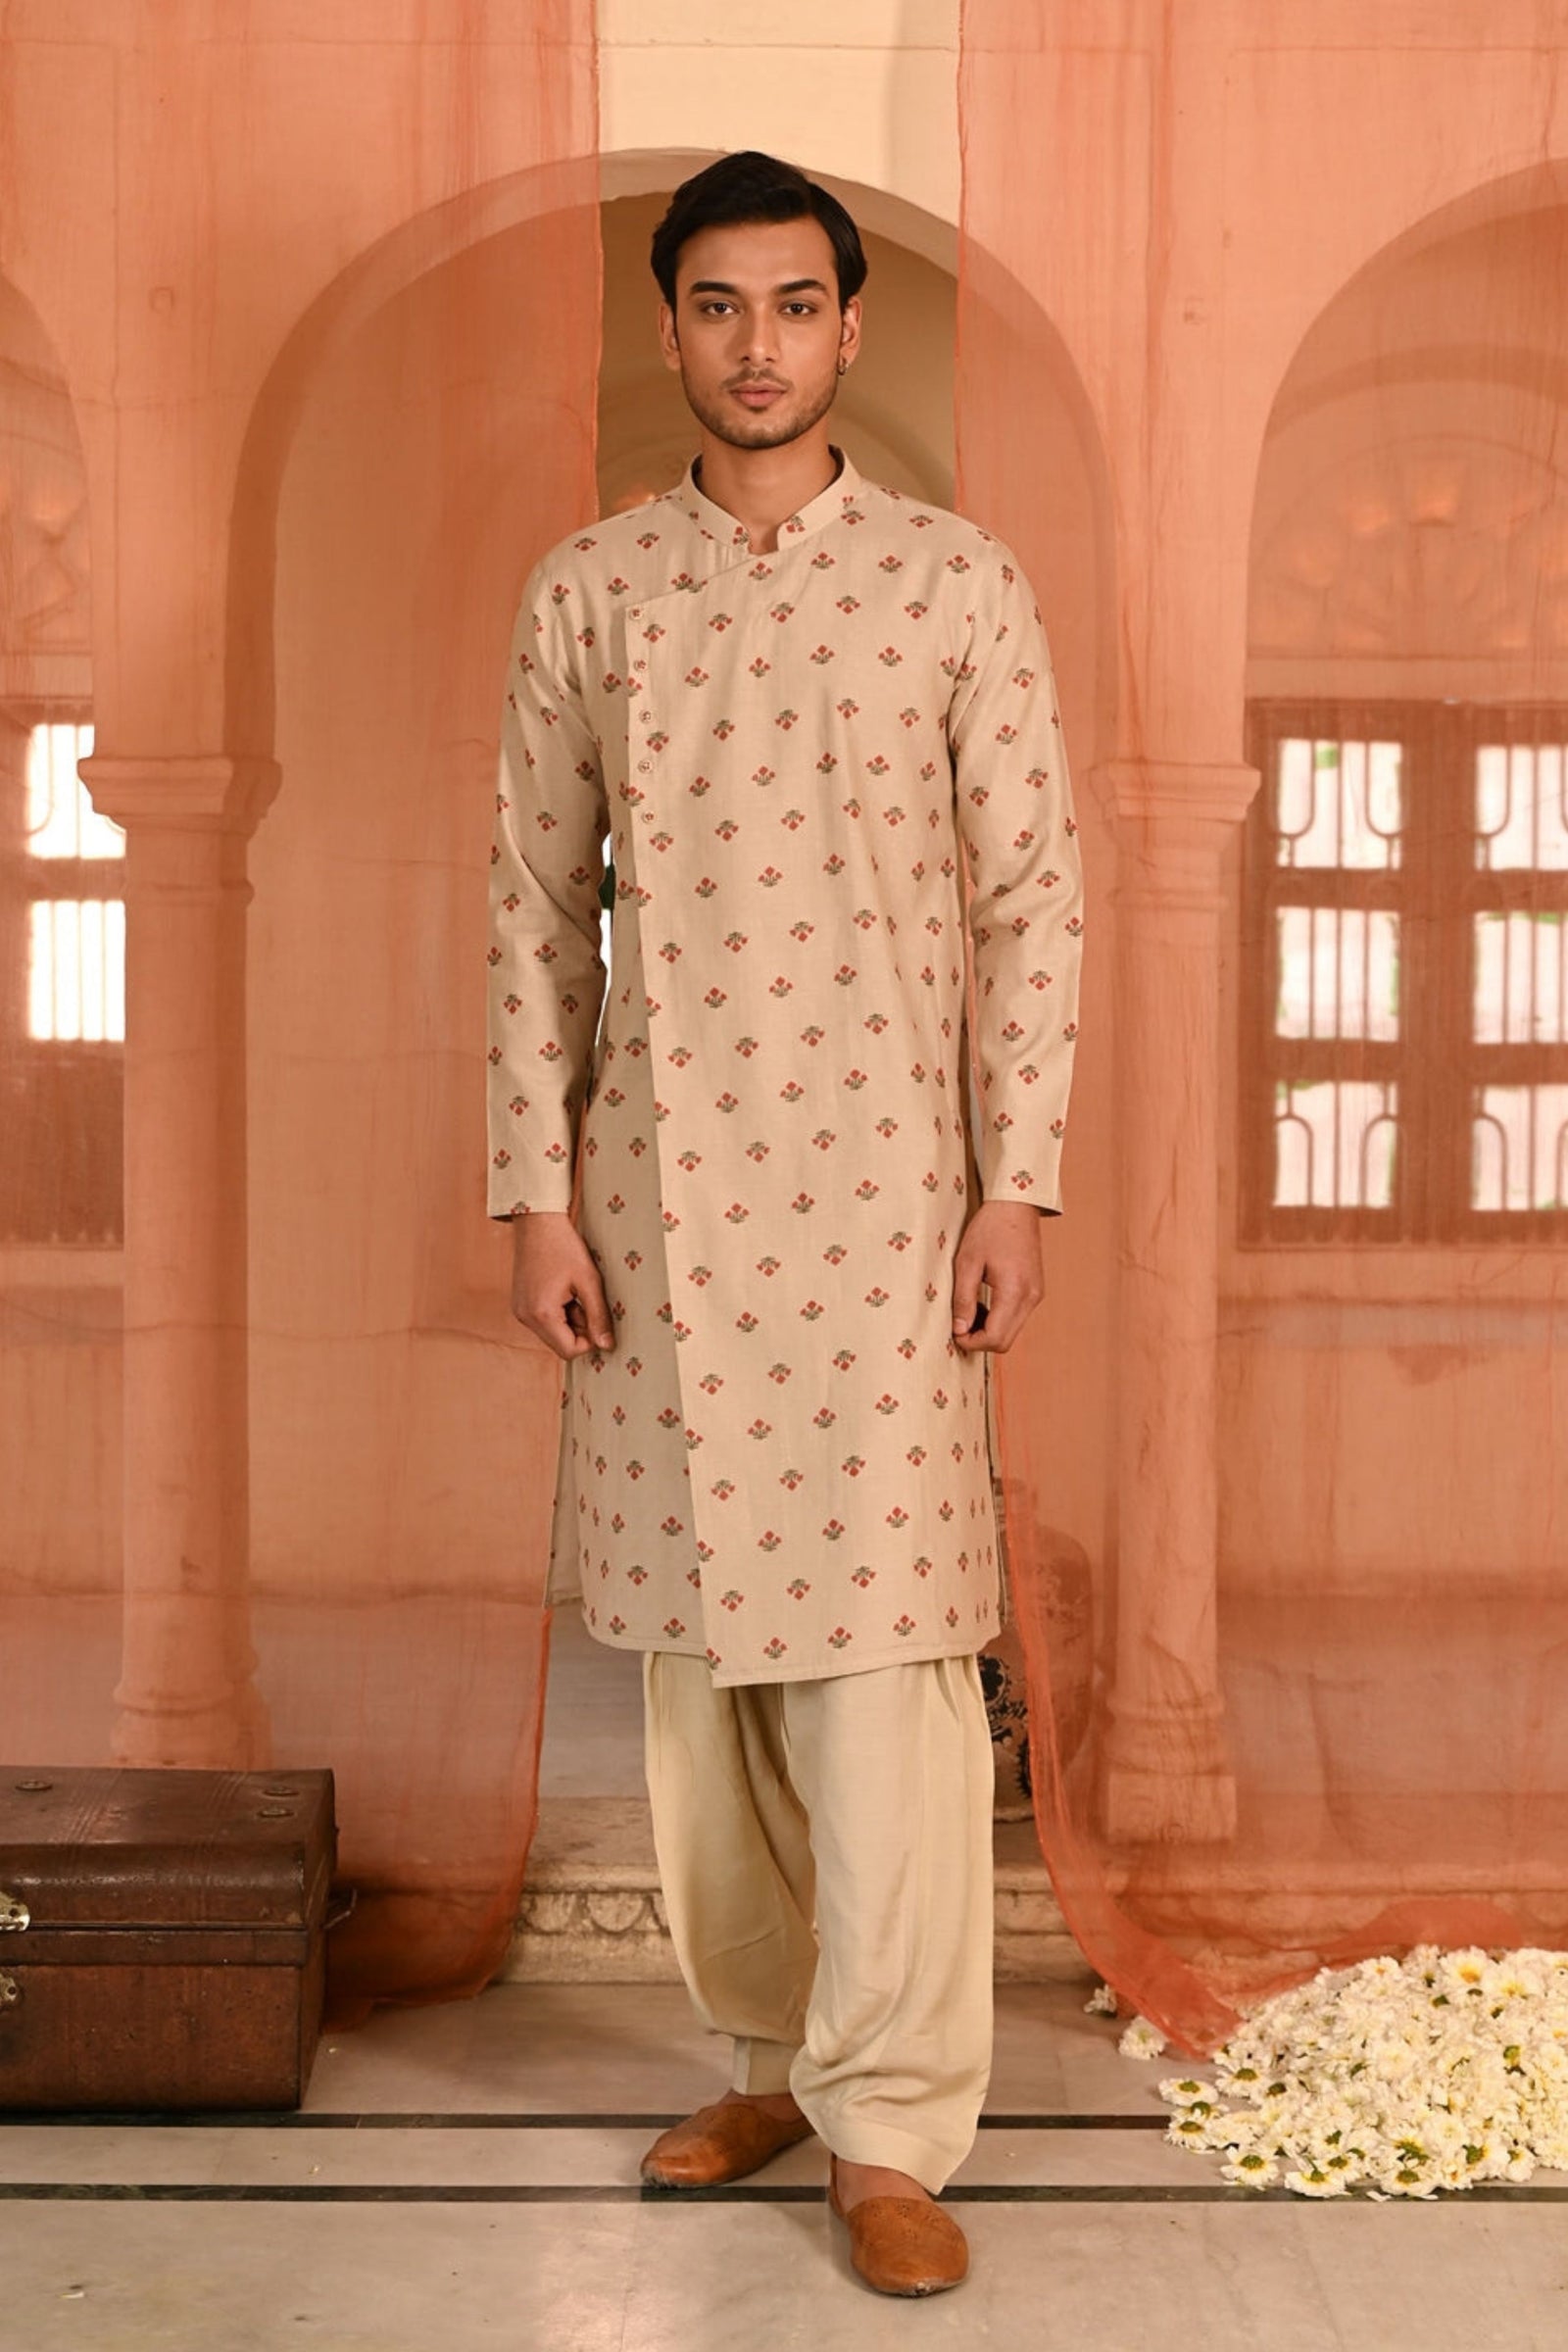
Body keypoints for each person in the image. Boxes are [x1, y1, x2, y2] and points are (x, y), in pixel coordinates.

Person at [488, 150, 1083, 2298]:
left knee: (887, 1676)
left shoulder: (952, 585)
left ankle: (892, 2125)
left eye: (796, 304)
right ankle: (768, 2059)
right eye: (719, 305)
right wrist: (533, 1192)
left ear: (848, 326)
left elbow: (1031, 902)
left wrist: (1016, 1177)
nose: (758, 345)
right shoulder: (591, 591)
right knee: (702, 1682)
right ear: (671, 326)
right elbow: (534, 909)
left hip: (889, 1205)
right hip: (654, 1205)